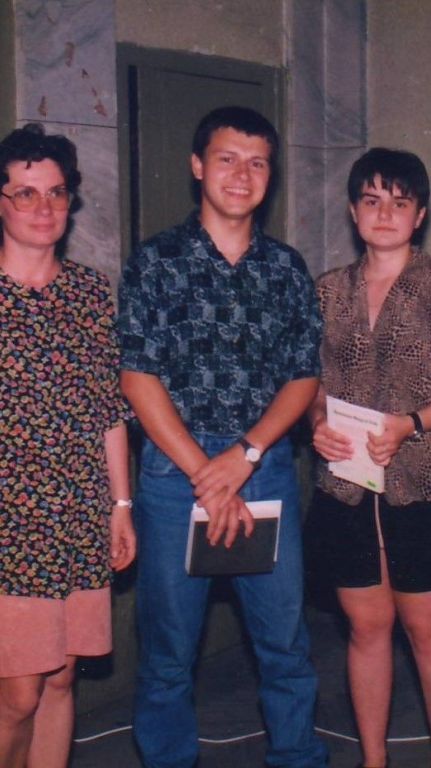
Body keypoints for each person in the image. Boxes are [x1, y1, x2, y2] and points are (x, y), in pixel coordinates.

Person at [117, 106, 328, 768]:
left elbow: (303, 377)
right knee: (168, 653)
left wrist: (245, 455)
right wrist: (206, 472)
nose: (243, 174)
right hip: (172, 477)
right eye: (228, 158)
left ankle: (297, 757)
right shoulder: (155, 261)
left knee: (284, 645)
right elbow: (137, 377)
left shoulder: (286, 268)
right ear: (197, 166)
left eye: (258, 162)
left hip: (263, 469)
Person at [306, 148, 431, 768]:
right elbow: (308, 383)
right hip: (346, 484)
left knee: (429, 632)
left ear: (420, 214)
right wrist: (317, 423)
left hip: (428, 481)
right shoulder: (327, 291)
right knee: (366, 629)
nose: (384, 214)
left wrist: (412, 424)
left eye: (399, 203)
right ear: (353, 211)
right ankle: (373, 760)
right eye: (371, 201)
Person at [0, 123, 135, 768]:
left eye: (56, 192)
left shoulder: (89, 292)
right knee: (17, 695)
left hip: (80, 516)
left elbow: (110, 410)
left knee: (60, 680)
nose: (44, 207)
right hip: (10, 526)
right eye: (25, 193)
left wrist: (121, 507)